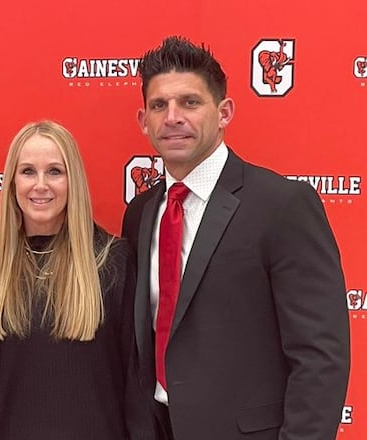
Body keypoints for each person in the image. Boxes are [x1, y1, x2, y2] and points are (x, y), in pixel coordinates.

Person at [121, 36, 350, 440]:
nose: (172, 117)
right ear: (143, 121)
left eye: (190, 102)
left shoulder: (282, 206)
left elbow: (320, 357)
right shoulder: (140, 214)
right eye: (159, 105)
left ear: (224, 112)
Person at [0, 120, 149, 439]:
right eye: (27, 171)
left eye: (54, 171)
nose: (40, 185)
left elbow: (136, 385)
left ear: (72, 180)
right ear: (11, 182)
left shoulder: (114, 262)